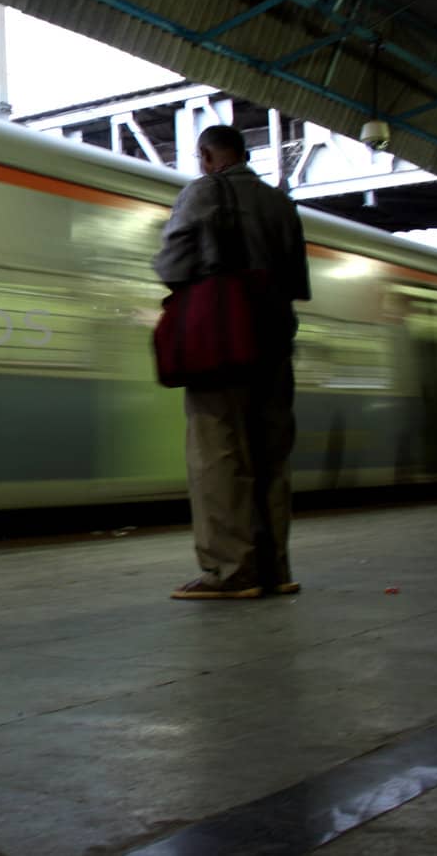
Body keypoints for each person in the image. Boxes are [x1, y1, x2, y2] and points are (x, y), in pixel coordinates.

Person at [154, 124, 311, 600]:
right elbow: (297, 282)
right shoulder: (280, 202)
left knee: (219, 454)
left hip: (222, 339)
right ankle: (274, 568)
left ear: (206, 155)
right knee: (271, 456)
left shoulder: (203, 192)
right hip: (275, 339)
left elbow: (172, 264)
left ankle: (230, 570)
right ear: (243, 153)